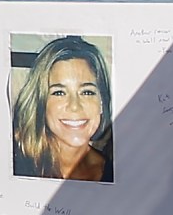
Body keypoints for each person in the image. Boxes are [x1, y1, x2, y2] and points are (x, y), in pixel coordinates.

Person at [8, 33, 115, 182]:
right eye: (59, 92)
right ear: (41, 103)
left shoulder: (117, 175)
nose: (74, 107)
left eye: (87, 92)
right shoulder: (13, 163)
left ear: (102, 103)